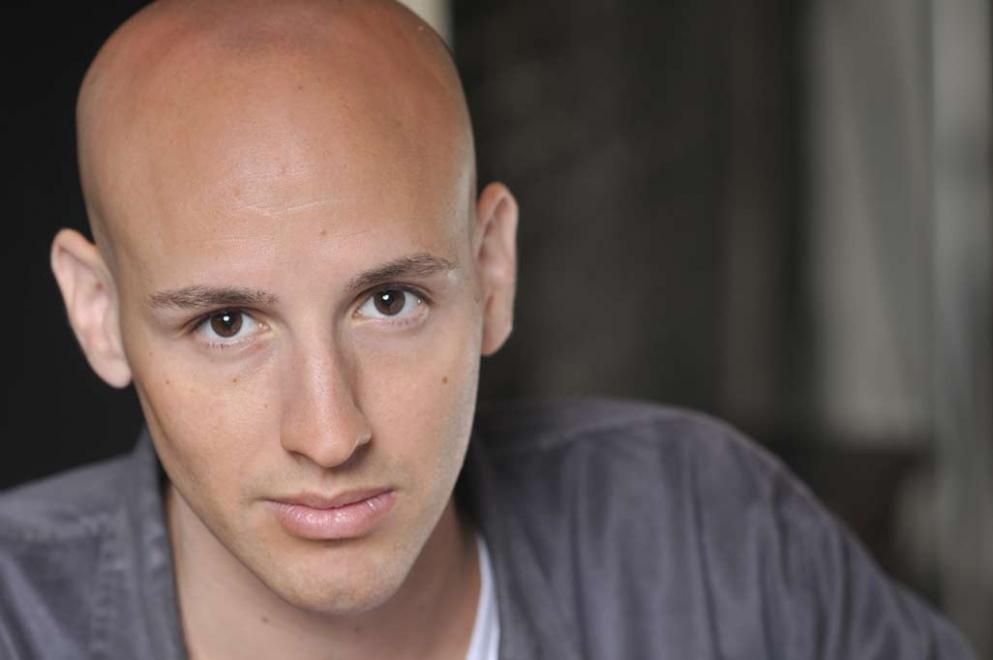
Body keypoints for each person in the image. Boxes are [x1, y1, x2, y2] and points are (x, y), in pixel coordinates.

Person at [0, 1, 976, 658]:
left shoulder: (706, 542)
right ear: (99, 314)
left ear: (493, 269)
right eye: (225, 323)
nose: (330, 435)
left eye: (390, 302)